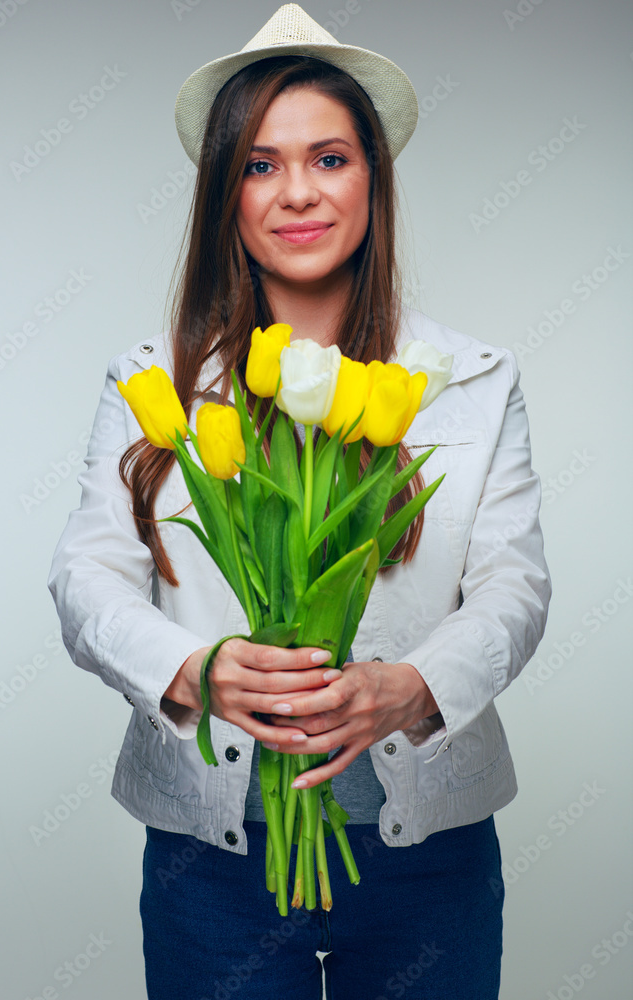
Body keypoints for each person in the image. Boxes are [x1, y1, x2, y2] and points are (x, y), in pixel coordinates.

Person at [48, 5, 551, 998]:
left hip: (427, 856)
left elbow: (515, 589)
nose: (297, 193)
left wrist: (413, 686)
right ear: (224, 195)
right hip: (212, 859)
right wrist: (197, 670)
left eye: (329, 158)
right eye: (259, 165)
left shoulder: (469, 381)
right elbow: (85, 578)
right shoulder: (156, 380)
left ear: (373, 179)